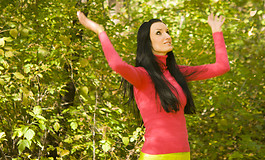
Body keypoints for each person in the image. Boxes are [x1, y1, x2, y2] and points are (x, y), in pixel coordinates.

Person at [77, 11, 230, 160]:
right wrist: (100, 30)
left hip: (183, 154)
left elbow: (222, 67)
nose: (167, 36)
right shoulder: (142, 76)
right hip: (156, 156)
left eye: (167, 32)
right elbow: (116, 64)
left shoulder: (177, 73)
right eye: (159, 33)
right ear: (147, 42)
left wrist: (216, 31)